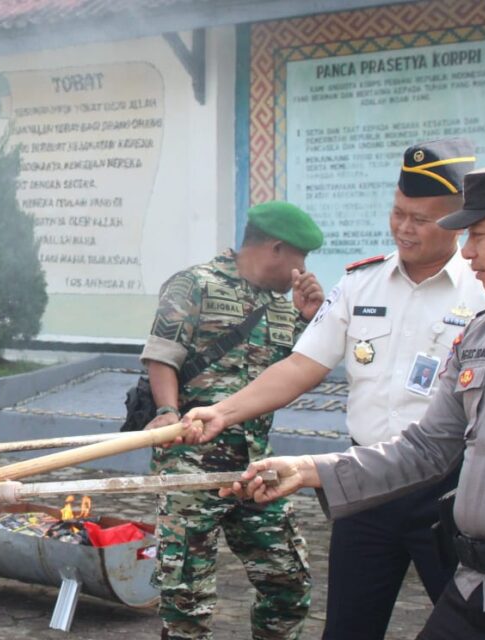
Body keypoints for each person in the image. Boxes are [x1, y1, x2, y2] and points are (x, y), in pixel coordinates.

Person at [181, 140, 485, 639]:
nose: (403, 228)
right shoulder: (360, 284)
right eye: (398, 213)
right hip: (365, 485)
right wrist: (224, 410)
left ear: (457, 220)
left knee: (473, 630)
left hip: (451, 492)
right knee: (348, 629)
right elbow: (301, 366)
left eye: (420, 218)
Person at [139, 201, 325, 639]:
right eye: (301, 258)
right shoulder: (194, 284)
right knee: (187, 601)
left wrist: (307, 320)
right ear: (277, 249)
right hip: (191, 466)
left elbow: (292, 374)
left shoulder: (284, 307)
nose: (304, 270)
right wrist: (167, 411)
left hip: (256, 469)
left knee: (288, 583)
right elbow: (163, 354)